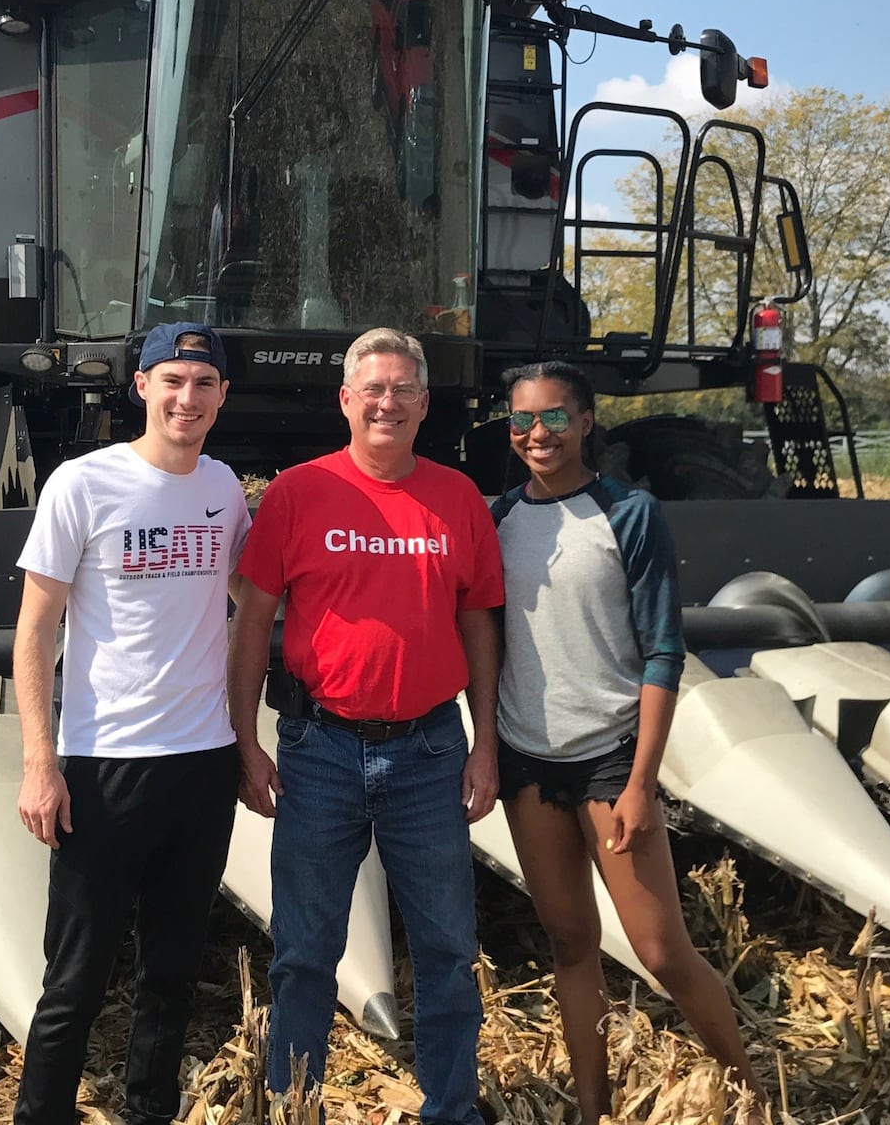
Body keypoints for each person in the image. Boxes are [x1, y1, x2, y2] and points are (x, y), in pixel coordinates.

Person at [227, 327, 503, 1125]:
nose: (387, 403)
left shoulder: (457, 500)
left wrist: (484, 743)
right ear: (346, 400)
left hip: (429, 749)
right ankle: (293, 1107)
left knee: (449, 954)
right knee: (305, 954)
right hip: (319, 751)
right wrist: (246, 741)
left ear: (424, 403)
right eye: (372, 389)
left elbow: (481, 624)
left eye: (403, 390)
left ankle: (451, 1110)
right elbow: (253, 625)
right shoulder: (298, 494)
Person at [490, 361, 762, 1122]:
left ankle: (750, 1092)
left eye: (552, 418)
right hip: (528, 759)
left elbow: (663, 652)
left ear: (585, 423)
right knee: (571, 943)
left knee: (660, 951)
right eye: (520, 421)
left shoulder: (630, 513)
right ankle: (591, 1109)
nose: (535, 433)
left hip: (611, 757)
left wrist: (643, 781)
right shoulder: (499, 518)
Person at [12, 322, 250, 1125]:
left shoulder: (224, 491)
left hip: (203, 764)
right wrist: (40, 764)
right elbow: (35, 632)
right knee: (75, 977)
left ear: (222, 396)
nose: (189, 397)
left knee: (173, 970)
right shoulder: (82, 485)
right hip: (105, 766)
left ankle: (151, 1109)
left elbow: (253, 599)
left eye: (205, 383)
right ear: (141, 386)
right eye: (173, 380)